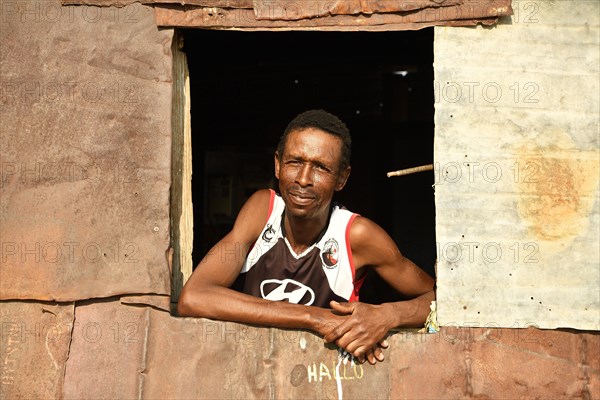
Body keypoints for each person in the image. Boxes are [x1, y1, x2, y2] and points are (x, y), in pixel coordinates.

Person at [178, 109, 435, 365]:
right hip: (252, 374)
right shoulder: (261, 212)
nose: (303, 179)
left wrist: (387, 315)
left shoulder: (357, 235)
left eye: (320, 168)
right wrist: (316, 317)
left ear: (342, 178)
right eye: (295, 162)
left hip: (324, 378)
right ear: (278, 164)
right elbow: (194, 296)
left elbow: (439, 297)